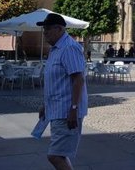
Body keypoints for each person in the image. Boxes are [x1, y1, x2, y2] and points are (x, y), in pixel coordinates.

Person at [37, 13, 88, 170]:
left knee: (55, 155)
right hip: (57, 110)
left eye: (47, 29)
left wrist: (74, 109)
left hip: (66, 112)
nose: (44, 33)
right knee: (60, 154)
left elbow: (78, 79)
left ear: (59, 29)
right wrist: (46, 105)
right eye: (43, 30)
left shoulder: (69, 48)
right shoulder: (56, 49)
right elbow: (57, 81)